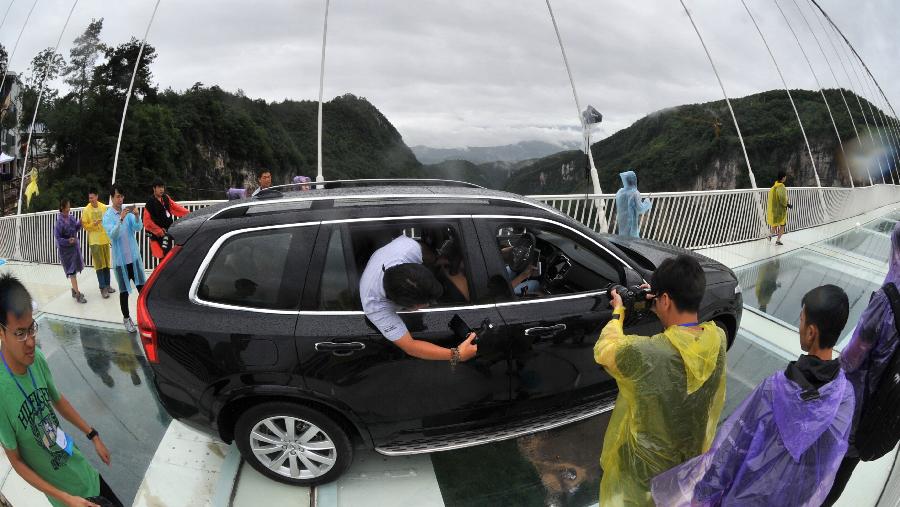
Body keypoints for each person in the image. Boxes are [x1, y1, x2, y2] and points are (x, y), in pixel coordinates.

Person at [652, 284, 854, 506]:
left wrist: (703, 493)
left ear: (811, 331)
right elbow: (827, 462)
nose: (800, 325)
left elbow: (733, 447)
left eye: (802, 319)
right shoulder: (844, 397)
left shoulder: (775, 389)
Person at [593, 254, 727, 506]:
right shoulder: (717, 339)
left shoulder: (648, 354)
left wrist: (618, 312)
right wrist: (657, 303)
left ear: (665, 299)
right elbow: (683, 336)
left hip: (645, 475)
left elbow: (605, 350)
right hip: (687, 466)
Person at [0, 273, 122, 507]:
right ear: (1, 332)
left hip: (84, 472)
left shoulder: (35, 359)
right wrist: (66, 498)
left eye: (32, 328)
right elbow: (16, 462)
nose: (31, 342)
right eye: (20, 333)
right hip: (67, 500)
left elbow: (57, 398)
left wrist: (92, 435)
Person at [823, 222, 900, 505]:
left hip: (856, 403)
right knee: (847, 468)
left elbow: (854, 356)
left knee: (830, 463)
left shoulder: (887, 300)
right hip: (885, 405)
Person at [359, 234, 478, 363]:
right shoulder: (375, 306)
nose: (428, 305)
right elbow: (410, 346)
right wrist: (457, 354)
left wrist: (436, 260)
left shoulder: (408, 248)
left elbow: (423, 251)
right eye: (425, 303)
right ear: (407, 307)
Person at [102, 185, 145, 333]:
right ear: (112, 198)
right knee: (124, 292)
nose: (120, 199)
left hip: (133, 258)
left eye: (122, 196)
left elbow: (137, 228)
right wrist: (120, 220)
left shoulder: (128, 211)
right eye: (117, 196)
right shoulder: (107, 216)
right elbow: (112, 235)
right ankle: (126, 319)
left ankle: (147, 316)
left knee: (142, 288)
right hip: (121, 262)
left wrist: (137, 216)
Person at [80, 189, 115, 299]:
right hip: (94, 241)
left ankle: (108, 285)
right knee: (99, 265)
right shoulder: (86, 210)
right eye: (89, 198)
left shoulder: (103, 207)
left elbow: (108, 221)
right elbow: (84, 225)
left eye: (92, 197)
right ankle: (102, 288)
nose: (90, 200)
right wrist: (92, 224)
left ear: (97, 196)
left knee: (107, 264)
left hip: (104, 239)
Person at [143, 179, 189, 259]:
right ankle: (164, 270)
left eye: (162, 187)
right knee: (163, 255)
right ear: (154, 188)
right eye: (159, 187)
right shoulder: (150, 203)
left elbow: (174, 207)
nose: (161, 189)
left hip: (168, 231)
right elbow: (147, 222)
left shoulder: (165, 198)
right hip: (159, 234)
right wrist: (159, 231)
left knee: (169, 253)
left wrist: (187, 212)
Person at [54, 199, 87, 304]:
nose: (70, 207)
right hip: (66, 252)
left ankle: (74, 290)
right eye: (68, 205)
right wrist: (68, 240)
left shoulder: (71, 217)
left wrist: (80, 222)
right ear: (63, 208)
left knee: (74, 270)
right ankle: (78, 295)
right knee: (72, 271)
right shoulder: (59, 222)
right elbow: (58, 238)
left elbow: (76, 228)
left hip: (74, 249)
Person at [615, 170, 652, 238]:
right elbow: (640, 209)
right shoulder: (635, 193)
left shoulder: (620, 191)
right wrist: (647, 201)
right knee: (632, 240)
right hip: (631, 223)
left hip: (622, 221)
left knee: (623, 239)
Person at [767, 171, 793, 245]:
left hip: (775, 209)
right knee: (782, 225)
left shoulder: (774, 187)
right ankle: (778, 240)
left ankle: (770, 236)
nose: (786, 178)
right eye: (785, 176)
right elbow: (782, 198)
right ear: (783, 177)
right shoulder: (781, 187)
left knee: (775, 224)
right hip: (781, 210)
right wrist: (787, 204)